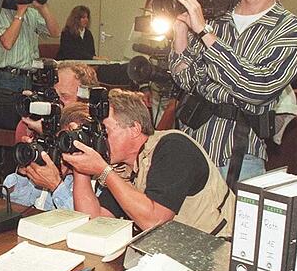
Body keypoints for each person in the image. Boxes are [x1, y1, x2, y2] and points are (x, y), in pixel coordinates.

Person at [168, 0, 297, 183]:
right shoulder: (215, 18)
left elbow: (257, 88)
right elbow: (186, 80)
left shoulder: (290, 29)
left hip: (238, 156)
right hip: (190, 148)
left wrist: (205, 34)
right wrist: (180, 29)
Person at [64, 89, 234, 237]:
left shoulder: (173, 147)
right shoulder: (124, 168)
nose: (99, 139)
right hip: (171, 251)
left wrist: (104, 171)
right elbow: (93, 222)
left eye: (105, 131)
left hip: (215, 249)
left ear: (134, 129)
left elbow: (154, 222)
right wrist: (80, 166)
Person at [7, 102, 95, 210]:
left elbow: (85, 217)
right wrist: (24, 172)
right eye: (62, 141)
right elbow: (16, 202)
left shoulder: (98, 181)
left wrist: (56, 185)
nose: (64, 149)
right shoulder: (53, 166)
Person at [0, 0, 61, 91]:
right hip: (7, 78)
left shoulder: (32, 13)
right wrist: (20, 11)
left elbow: (55, 32)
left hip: (29, 78)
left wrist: (43, 8)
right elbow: (7, 43)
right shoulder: (0, 11)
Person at [15, 61, 98, 141]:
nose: (55, 101)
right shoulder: (29, 124)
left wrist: (48, 134)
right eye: (52, 94)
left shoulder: (94, 128)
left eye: (64, 96)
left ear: (85, 101)